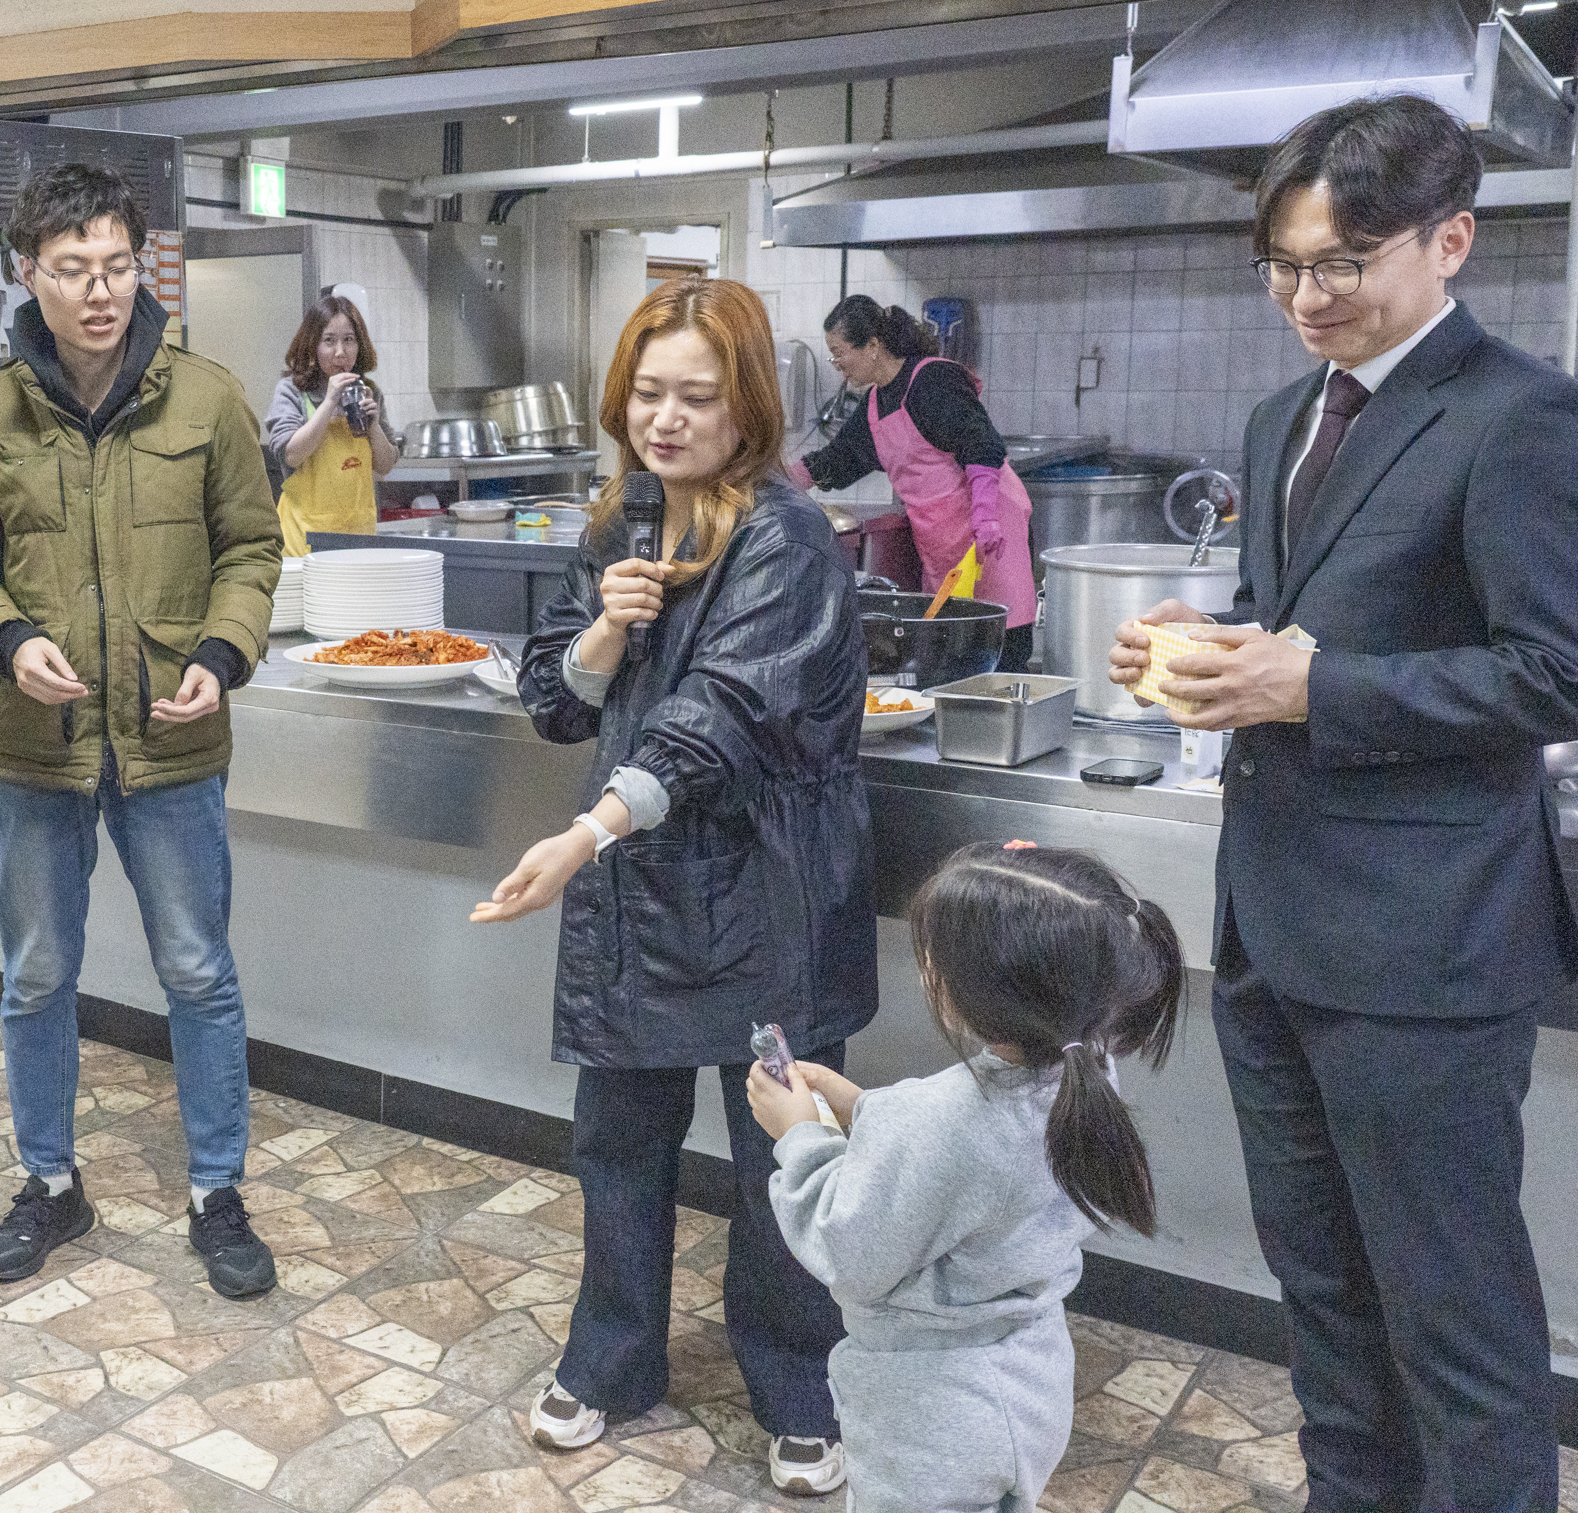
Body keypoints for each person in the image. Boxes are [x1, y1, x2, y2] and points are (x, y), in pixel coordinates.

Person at [1107, 95, 1578, 1511]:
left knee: (1452, 1312)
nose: (1306, 296)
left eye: (1341, 263)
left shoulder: (1518, 415)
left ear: (1450, 241)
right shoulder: (1281, 418)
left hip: (1425, 949)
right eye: (1282, 265)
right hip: (1272, 925)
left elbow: (1553, 672)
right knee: (1320, 1285)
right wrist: (1212, 643)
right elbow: (1296, 614)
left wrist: (1314, 687)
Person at [471, 277, 877, 1497]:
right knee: (617, 1140)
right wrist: (605, 630)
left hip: (767, 897)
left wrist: (583, 834)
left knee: (780, 1153)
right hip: (638, 895)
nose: (665, 418)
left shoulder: (788, 539)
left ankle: (798, 1384)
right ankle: (611, 1358)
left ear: (746, 404)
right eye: (648, 393)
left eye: (696, 396)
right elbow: (552, 699)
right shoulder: (622, 521)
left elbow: (721, 719)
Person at [0, 163, 284, 1298]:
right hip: (36, 748)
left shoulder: (208, 399)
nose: (100, 291)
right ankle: (49, 1182)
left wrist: (222, 654)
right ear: (26, 272)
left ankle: (217, 1192)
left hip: (172, 746)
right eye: (73, 268)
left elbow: (252, 549)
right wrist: (5, 639)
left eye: (119, 266)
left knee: (198, 972)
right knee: (36, 974)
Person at [747, 842, 1183, 1513]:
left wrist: (801, 1136)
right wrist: (863, 1109)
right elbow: (965, 1168)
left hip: (932, 1417)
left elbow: (847, 1251)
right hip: (1030, 1382)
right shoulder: (1087, 1065)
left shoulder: (944, 1120)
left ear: (971, 994)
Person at [794, 295, 1039, 672]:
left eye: (839, 353)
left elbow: (981, 442)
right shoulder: (874, 403)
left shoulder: (933, 379)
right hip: (943, 541)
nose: (837, 364)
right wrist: (781, 478)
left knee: (1000, 648)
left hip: (989, 530)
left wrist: (985, 515)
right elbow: (840, 458)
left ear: (872, 345)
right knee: (950, 652)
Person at [265, 294, 401, 554]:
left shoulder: (369, 392)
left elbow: (385, 465)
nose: (340, 352)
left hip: (359, 543)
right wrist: (329, 402)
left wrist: (373, 426)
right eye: (329, 340)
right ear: (312, 345)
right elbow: (291, 455)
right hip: (305, 545)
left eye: (349, 340)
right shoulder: (292, 391)